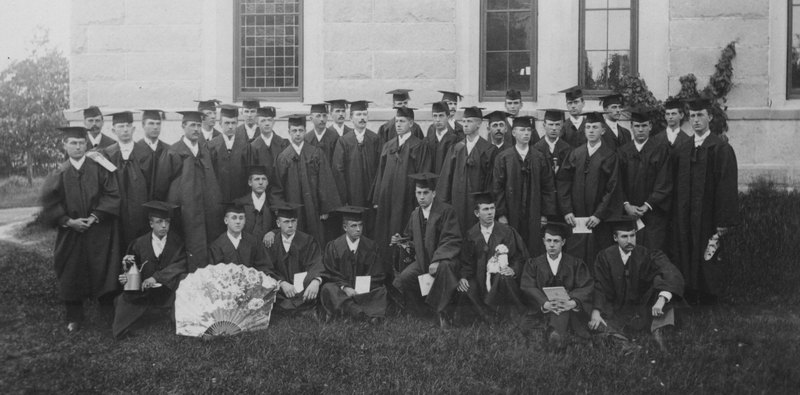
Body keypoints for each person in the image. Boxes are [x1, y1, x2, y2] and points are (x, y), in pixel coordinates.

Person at [39, 126, 121, 332]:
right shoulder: (59, 173)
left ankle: (106, 315)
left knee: (103, 268)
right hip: (70, 232)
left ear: (86, 144)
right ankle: (74, 317)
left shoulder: (101, 167)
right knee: (70, 270)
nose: (78, 147)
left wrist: (95, 217)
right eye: (73, 143)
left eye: (81, 143)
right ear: (64, 145)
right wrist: (68, 221)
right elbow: (50, 204)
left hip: (99, 229)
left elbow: (112, 194)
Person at [670, 98, 739, 305]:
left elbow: (726, 186)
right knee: (686, 248)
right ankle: (689, 293)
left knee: (707, 252)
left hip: (708, 215)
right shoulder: (682, 148)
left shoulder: (720, 148)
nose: (696, 120)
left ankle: (709, 297)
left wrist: (723, 220)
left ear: (710, 117)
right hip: (685, 213)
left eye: (700, 115)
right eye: (692, 115)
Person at [590, 218, 686, 351]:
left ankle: (659, 335)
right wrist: (596, 311)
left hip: (643, 309)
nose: (630, 241)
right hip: (615, 311)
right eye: (624, 236)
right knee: (596, 324)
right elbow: (599, 284)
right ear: (615, 237)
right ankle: (624, 344)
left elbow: (669, 271)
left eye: (632, 235)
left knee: (666, 291)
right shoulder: (605, 257)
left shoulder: (646, 254)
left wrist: (661, 299)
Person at [154, 111, 224, 272]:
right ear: (183, 126)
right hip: (183, 214)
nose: (196, 129)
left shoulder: (204, 151)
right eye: (192, 125)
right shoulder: (173, 152)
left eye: (199, 125)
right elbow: (161, 187)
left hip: (206, 214)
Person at [392, 173, 462, 328]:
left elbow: (452, 239)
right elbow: (410, 238)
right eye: (418, 193)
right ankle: (422, 312)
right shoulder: (415, 214)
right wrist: (399, 240)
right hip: (423, 261)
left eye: (425, 193)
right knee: (406, 276)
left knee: (443, 268)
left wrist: (437, 259)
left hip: (445, 260)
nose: (421, 197)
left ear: (434, 194)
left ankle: (443, 312)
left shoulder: (446, 211)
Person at [113, 201, 188, 339]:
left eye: (167, 221)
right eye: (159, 222)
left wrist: (157, 277)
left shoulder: (177, 242)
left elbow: (182, 264)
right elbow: (131, 268)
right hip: (145, 291)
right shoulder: (138, 244)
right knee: (126, 299)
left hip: (168, 290)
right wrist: (127, 277)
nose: (164, 226)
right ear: (151, 224)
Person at [557, 111, 621, 269]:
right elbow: (563, 182)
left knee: (598, 258)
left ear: (603, 130)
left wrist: (599, 214)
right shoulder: (575, 154)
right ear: (584, 130)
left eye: (595, 127)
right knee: (576, 257)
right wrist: (567, 210)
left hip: (598, 221)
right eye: (588, 127)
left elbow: (612, 188)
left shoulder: (609, 156)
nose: (591, 131)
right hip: (576, 218)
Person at [371, 107, 432, 269]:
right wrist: (377, 198)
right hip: (387, 200)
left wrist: (419, 202)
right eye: (397, 121)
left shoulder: (419, 146)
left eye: (402, 121)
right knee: (385, 236)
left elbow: (422, 175)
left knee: (404, 235)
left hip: (406, 200)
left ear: (411, 123)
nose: (398, 125)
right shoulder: (388, 145)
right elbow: (380, 172)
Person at [458, 192, 528, 323]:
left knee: (504, 279)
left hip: (499, 278)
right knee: (467, 288)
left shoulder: (506, 232)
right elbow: (466, 262)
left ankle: (503, 317)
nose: (490, 213)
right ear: (477, 213)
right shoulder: (471, 235)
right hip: (479, 279)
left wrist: (513, 270)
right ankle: (487, 317)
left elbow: (518, 258)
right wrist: (463, 277)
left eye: (492, 208)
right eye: (485, 209)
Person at [519, 222, 593, 348]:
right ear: (543, 241)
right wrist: (545, 303)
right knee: (524, 326)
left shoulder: (575, 264)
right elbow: (528, 287)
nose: (552, 245)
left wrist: (573, 302)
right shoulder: (533, 264)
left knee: (565, 317)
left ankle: (556, 337)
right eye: (548, 240)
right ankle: (560, 336)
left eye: (556, 241)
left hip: (567, 309)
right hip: (543, 308)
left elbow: (585, 286)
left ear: (563, 242)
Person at [493, 116, 557, 257]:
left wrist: (545, 214)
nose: (527, 133)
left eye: (529, 130)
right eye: (522, 130)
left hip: (534, 211)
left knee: (533, 246)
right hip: (511, 211)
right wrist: (502, 214)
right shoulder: (503, 157)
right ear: (514, 133)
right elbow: (498, 188)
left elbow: (548, 186)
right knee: (512, 245)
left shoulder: (539, 157)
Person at [273, 114, 342, 246]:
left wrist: (325, 208)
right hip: (293, 208)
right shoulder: (283, 157)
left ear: (305, 131)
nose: (297, 134)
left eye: (300, 130)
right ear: (289, 132)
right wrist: (282, 211)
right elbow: (278, 186)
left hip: (314, 207)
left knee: (315, 238)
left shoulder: (316, 153)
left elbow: (325, 181)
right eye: (294, 131)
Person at [617, 107, 673, 251]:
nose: (640, 130)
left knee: (651, 253)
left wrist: (648, 205)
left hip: (653, 215)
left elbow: (664, 181)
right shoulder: (623, 152)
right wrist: (626, 204)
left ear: (650, 127)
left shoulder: (661, 149)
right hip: (628, 214)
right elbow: (617, 182)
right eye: (637, 126)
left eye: (643, 126)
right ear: (631, 127)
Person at [320, 206, 389, 323]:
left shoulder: (370, 246)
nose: (358, 229)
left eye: (360, 225)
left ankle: (347, 310)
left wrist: (361, 287)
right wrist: (346, 287)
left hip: (364, 290)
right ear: (344, 227)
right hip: (342, 289)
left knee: (380, 290)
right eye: (354, 226)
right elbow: (331, 272)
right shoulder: (334, 246)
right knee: (328, 289)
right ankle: (362, 314)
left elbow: (377, 273)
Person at [436, 106, 497, 236]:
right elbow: (446, 180)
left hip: (477, 207)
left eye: (469, 121)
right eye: (464, 121)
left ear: (479, 123)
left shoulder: (489, 150)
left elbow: (491, 183)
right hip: (457, 205)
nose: (465, 125)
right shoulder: (456, 149)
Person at [103, 111, 153, 249]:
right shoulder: (108, 154)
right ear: (113, 130)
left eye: (128, 125)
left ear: (134, 129)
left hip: (140, 211)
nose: (125, 129)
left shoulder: (145, 153)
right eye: (120, 126)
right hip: (116, 210)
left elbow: (152, 185)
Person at [331, 100, 381, 236]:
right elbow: (338, 170)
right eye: (358, 114)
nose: (362, 118)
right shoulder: (344, 141)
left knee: (370, 229)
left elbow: (380, 169)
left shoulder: (375, 139)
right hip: (352, 196)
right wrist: (344, 197)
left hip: (370, 196)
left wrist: (376, 196)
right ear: (351, 118)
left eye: (365, 114)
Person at [267, 203, 326, 316]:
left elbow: (316, 263)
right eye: (286, 221)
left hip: (304, 289)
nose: (290, 225)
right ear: (278, 223)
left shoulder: (307, 241)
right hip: (281, 289)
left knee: (321, 289)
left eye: (293, 221)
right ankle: (304, 310)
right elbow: (267, 268)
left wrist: (315, 281)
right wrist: (282, 283)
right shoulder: (272, 243)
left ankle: (291, 309)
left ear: (297, 222)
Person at [207, 202, 274, 275]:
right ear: (226, 220)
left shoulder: (254, 242)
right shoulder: (216, 246)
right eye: (234, 218)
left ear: (245, 220)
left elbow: (264, 268)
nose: (238, 222)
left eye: (241, 218)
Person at [208, 105, 252, 203]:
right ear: (220, 124)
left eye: (233, 123)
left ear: (237, 124)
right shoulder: (211, 146)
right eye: (227, 123)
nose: (231, 126)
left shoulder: (245, 146)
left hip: (239, 201)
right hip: (217, 200)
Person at [236, 165, 276, 246]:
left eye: (263, 179)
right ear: (250, 182)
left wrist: (273, 232)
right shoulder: (240, 203)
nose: (261, 182)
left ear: (267, 182)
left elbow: (281, 225)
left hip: (268, 247)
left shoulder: (273, 203)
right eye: (257, 179)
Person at [135, 109, 170, 200]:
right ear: (143, 125)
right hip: (141, 202)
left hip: (163, 202)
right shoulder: (135, 150)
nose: (155, 127)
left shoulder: (169, 150)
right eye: (151, 123)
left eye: (158, 124)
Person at [533, 109, 573, 184]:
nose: (554, 128)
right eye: (551, 124)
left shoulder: (568, 149)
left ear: (561, 126)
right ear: (544, 125)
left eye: (557, 124)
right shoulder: (535, 149)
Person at [250, 106, 289, 181]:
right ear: (257, 123)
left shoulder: (284, 144)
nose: (267, 124)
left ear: (274, 122)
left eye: (269, 120)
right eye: (263, 121)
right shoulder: (252, 147)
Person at [423, 101, 462, 174]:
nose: (437, 120)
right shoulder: (426, 141)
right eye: (435, 116)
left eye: (441, 116)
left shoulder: (456, 141)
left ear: (447, 117)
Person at [305, 103, 340, 169]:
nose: (322, 119)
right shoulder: (307, 138)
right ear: (311, 119)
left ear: (327, 118)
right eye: (318, 116)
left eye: (324, 116)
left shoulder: (334, 137)